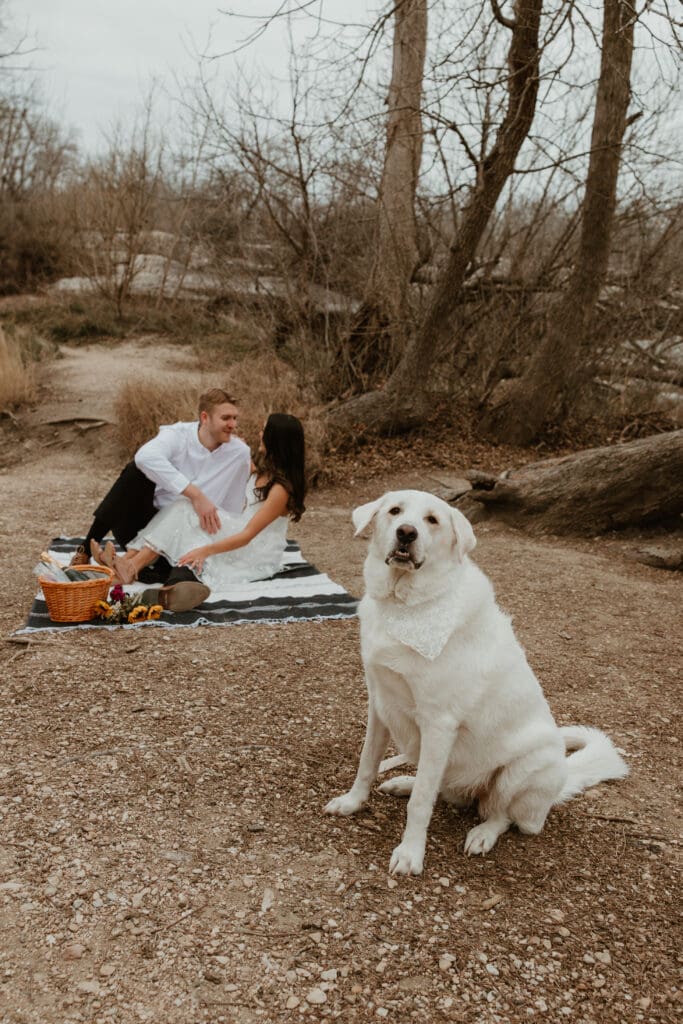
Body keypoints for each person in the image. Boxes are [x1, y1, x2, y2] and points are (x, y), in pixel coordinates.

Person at [95, 413, 307, 611]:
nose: (260, 434)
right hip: (236, 531)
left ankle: (130, 567)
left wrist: (204, 551)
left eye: (264, 430)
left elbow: (247, 536)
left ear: (276, 440)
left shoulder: (280, 490)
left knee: (185, 510)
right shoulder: (263, 473)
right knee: (185, 505)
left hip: (250, 552)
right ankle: (127, 563)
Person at [71, 388, 251, 585]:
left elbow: (233, 506)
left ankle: (126, 566)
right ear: (205, 417)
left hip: (192, 533)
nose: (233, 425)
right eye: (226, 418)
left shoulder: (239, 453)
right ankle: (85, 551)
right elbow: (145, 457)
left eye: (235, 418)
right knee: (135, 472)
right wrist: (195, 495)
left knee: (183, 513)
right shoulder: (178, 435)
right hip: (143, 528)